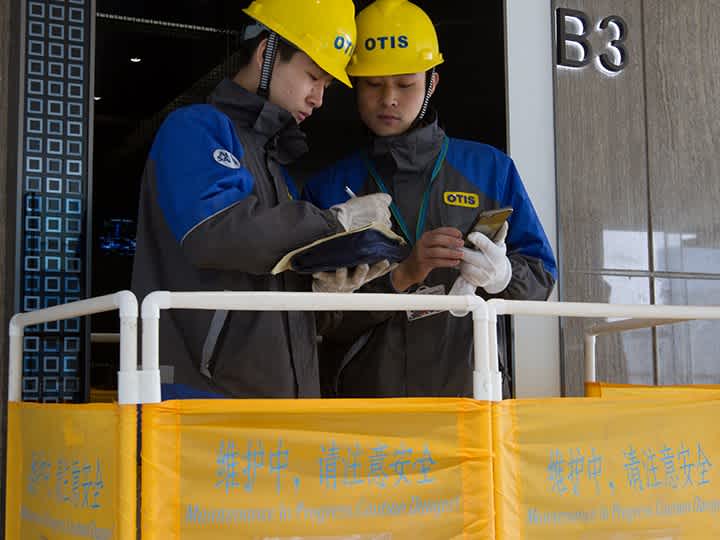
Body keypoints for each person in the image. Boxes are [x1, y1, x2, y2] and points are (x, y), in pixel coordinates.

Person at [131, 0, 393, 399]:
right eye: (313, 77)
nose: (318, 98)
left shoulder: (274, 163)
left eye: (325, 84)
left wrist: (318, 292)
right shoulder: (195, 129)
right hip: (201, 399)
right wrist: (332, 223)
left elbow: (261, 274)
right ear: (265, 52)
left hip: (279, 401)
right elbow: (217, 235)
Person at [303, 0, 557, 398]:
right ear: (353, 82)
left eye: (405, 84)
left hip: (467, 397)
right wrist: (402, 276)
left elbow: (542, 278)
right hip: (363, 405)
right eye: (373, 83)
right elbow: (315, 319)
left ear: (431, 84)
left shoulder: (489, 169)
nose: (389, 98)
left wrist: (504, 275)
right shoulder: (329, 187)